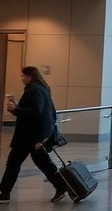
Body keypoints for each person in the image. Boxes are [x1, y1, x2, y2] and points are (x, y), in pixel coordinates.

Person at [0, 67, 64, 203]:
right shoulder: (41, 88)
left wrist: (15, 109)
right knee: (40, 162)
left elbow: (36, 111)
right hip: (34, 134)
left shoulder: (35, 90)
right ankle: (62, 186)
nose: (21, 78)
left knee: (14, 162)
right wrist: (17, 108)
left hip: (29, 135)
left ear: (30, 76)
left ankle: (4, 193)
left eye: (23, 76)